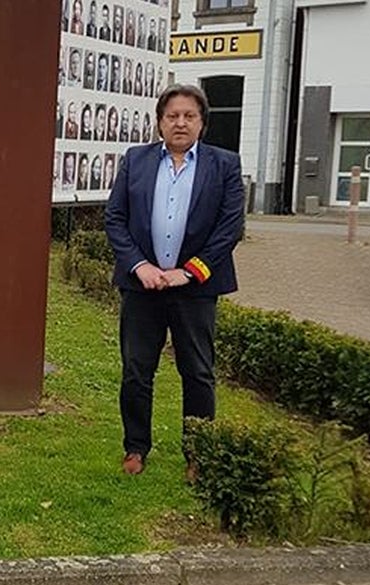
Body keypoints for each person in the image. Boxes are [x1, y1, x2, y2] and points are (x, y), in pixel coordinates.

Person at [103, 84, 244, 481]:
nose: (180, 122)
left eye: (189, 116)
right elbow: (115, 218)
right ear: (160, 121)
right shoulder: (137, 160)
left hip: (195, 290)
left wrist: (190, 270)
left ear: (202, 122)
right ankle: (135, 448)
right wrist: (139, 266)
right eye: (172, 116)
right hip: (142, 288)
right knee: (136, 370)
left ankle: (198, 454)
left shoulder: (225, 165)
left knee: (197, 372)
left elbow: (229, 228)